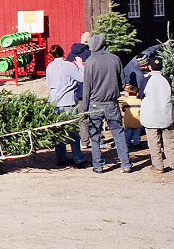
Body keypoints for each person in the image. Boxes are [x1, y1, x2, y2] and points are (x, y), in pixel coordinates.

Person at [82, 34, 132, 173]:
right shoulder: (115, 59)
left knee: (95, 136)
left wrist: (83, 110)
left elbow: (87, 89)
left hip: (94, 105)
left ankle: (98, 166)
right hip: (112, 104)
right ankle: (126, 164)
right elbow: (122, 83)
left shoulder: (90, 62)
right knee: (118, 134)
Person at [45, 44, 86, 167]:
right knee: (73, 132)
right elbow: (81, 78)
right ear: (63, 53)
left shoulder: (50, 67)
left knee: (59, 132)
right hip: (68, 101)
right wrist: (80, 65)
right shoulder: (68, 65)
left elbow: (49, 83)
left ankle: (61, 158)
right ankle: (78, 158)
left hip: (54, 101)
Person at [138, 53, 174, 173]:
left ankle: (158, 165)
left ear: (149, 67)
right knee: (170, 139)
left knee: (153, 141)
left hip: (151, 114)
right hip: (165, 113)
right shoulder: (167, 79)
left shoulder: (146, 80)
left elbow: (141, 95)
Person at [68, 31, 92, 150]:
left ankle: (81, 140)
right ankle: (86, 140)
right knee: (91, 116)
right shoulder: (89, 54)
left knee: (79, 117)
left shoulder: (70, 55)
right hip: (88, 90)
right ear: (88, 41)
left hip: (74, 90)